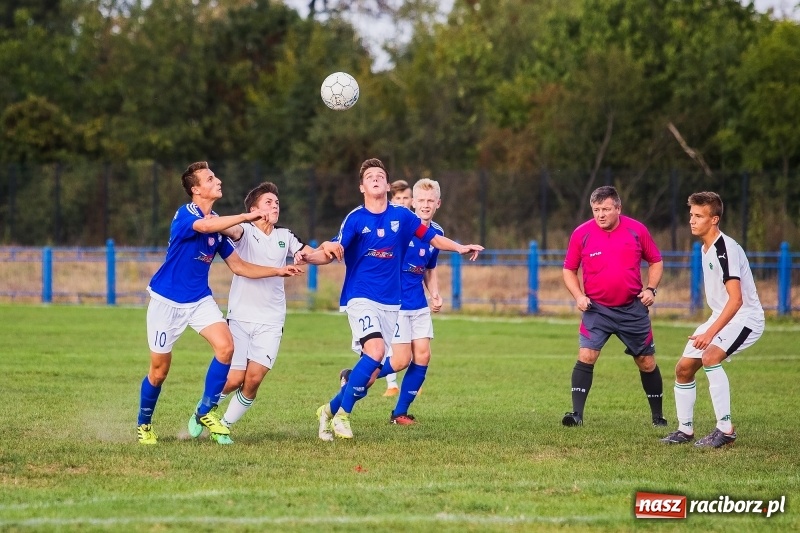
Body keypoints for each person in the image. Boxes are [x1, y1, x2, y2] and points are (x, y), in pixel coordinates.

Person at [303, 158, 483, 440]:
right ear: (362, 186)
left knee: (371, 373)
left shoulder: (403, 217)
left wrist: (460, 247)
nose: (376, 178)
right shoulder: (355, 218)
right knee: (376, 352)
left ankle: (328, 410)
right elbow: (331, 252)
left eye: (381, 175)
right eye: (370, 176)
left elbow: (433, 238)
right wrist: (308, 257)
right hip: (360, 297)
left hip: (391, 303)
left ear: (388, 185)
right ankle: (343, 416)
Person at [136, 162, 302, 445]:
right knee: (159, 371)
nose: (218, 181)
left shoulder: (218, 226)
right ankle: (144, 424)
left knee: (226, 348)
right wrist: (247, 216)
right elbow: (206, 225)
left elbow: (239, 267)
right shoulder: (186, 215)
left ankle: (205, 410)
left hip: (199, 299)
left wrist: (278, 270)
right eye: (211, 179)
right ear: (196, 189)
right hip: (167, 301)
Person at [185, 181, 316, 443]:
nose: (275, 205)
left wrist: (325, 252)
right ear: (254, 208)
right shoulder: (244, 231)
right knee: (234, 378)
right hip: (241, 318)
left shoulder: (285, 236)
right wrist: (214, 218)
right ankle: (203, 408)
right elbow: (230, 228)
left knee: (254, 380)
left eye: (277, 202)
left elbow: (309, 253)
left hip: (271, 319)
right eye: (268, 202)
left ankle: (223, 425)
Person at [661, 192, 764, 448]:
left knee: (710, 357)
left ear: (714, 219)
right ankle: (685, 430)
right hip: (721, 316)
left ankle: (725, 430)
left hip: (745, 317)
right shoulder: (705, 248)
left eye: (699, 216)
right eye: (691, 215)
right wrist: (711, 328)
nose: (692, 221)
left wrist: (710, 334)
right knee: (683, 369)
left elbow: (736, 300)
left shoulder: (724, 248)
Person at [561, 185, 666, 427]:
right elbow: (568, 269)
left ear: (618, 208)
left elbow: (656, 261)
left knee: (646, 361)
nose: (600, 215)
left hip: (632, 309)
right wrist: (578, 296)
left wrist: (650, 289)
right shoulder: (581, 233)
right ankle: (576, 415)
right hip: (596, 310)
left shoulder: (637, 230)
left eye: (606, 209)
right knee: (586, 355)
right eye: (596, 209)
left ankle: (657, 417)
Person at [382, 178, 444, 424]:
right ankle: (353, 376)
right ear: (412, 202)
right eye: (421, 200)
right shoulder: (400, 227)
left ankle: (400, 414)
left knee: (423, 356)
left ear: (438, 203)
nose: (425, 205)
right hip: (396, 303)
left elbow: (430, 268)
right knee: (399, 361)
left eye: (431, 201)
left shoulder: (437, 233)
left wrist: (434, 294)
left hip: (418, 303)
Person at [382, 179, 414, 397]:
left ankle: (413, 383)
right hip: (392, 296)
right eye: (398, 198)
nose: (403, 202)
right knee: (392, 350)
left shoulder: (419, 226)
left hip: (414, 298)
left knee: (414, 351)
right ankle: (391, 384)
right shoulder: (387, 224)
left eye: (406, 198)